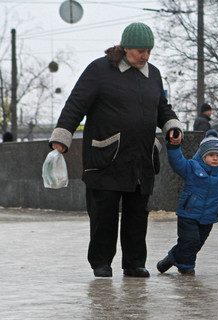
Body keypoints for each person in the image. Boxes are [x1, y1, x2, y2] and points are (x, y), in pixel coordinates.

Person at [48, 22, 184, 278]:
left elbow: (162, 107)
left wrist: (171, 126)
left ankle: (134, 263)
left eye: (148, 51)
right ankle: (101, 263)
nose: (144, 56)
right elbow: (75, 104)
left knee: (137, 216)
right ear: (124, 48)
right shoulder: (100, 70)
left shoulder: (153, 74)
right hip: (106, 156)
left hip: (140, 158)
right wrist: (62, 137)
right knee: (104, 216)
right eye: (139, 51)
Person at [156, 129, 218, 275]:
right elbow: (177, 162)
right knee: (190, 241)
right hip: (188, 214)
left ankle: (171, 259)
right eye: (211, 155)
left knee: (196, 244)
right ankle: (187, 268)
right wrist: (174, 146)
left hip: (209, 217)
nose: (215, 158)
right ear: (203, 155)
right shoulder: (192, 168)